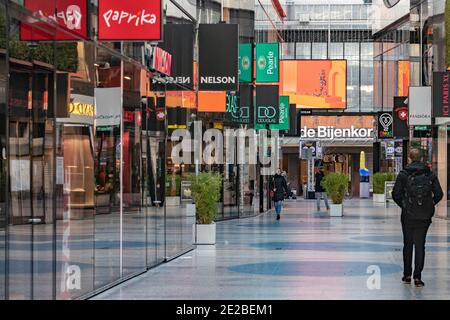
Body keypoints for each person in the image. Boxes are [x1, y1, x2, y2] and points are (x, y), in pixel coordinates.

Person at [392, 148, 443, 287]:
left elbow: (395, 194)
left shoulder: (403, 174)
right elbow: (439, 194)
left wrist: (405, 206)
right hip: (424, 216)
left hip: (408, 215)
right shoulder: (430, 174)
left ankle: (407, 275)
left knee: (408, 244)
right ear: (421, 159)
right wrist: (430, 205)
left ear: (409, 158)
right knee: (420, 245)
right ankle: (418, 278)